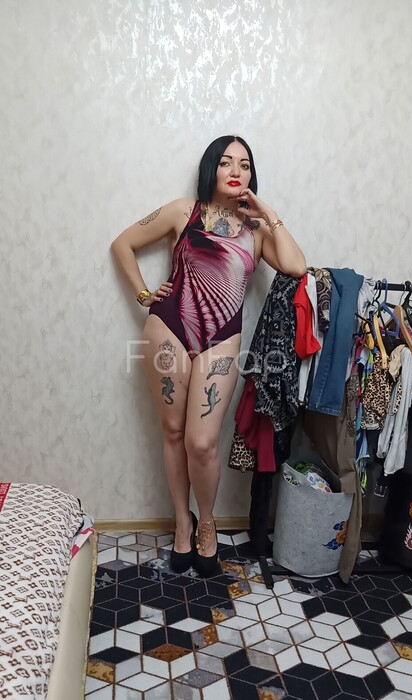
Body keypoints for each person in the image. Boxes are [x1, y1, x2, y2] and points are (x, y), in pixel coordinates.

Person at [111, 135, 307, 577]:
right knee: (174, 432)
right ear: (211, 169)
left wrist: (268, 214)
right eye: (226, 162)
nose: (236, 171)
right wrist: (143, 293)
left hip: (222, 340)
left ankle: (207, 521)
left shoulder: (257, 233)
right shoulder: (183, 212)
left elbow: (297, 266)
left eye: (245, 164)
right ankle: (182, 523)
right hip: (169, 330)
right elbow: (122, 244)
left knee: (201, 443)